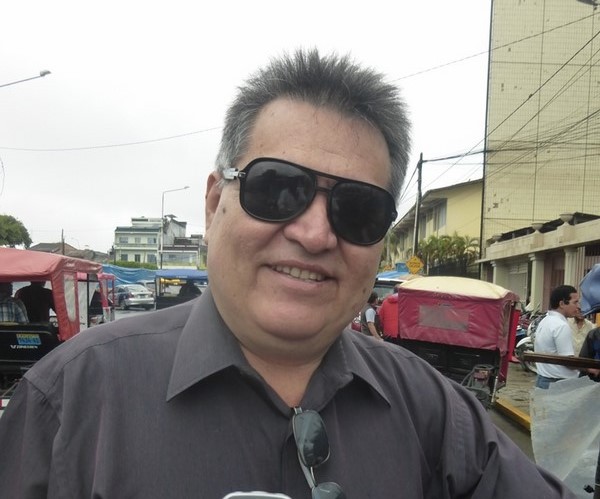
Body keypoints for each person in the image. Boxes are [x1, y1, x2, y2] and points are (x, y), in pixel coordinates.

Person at [0, 49, 576, 498]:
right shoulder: (71, 400)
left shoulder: (437, 415)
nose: (315, 233)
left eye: (358, 209)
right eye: (277, 188)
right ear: (214, 204)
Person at [534, 285, 584, 389]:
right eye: (575, 302)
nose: (578, 306)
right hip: (558, 383)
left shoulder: (546, 320)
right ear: (562, 304)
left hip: (544, 379)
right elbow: (567, 361)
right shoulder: (561, 325)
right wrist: (588, 368)